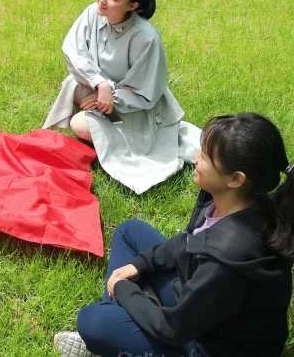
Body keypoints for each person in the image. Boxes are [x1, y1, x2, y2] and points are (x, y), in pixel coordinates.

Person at [54, 113, 294, 357]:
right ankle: (124, 325)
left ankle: (114, 334)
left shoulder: (227, 258)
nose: (195, 157)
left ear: (235, 179)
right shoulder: (238, 201)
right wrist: (140, 265)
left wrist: (124, 289)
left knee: (92, 321)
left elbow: (172, 328)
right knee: (130, 232)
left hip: (208, 346)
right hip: (201, 308)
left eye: (205, 156)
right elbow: (190, 241)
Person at [42, 0, 195, 194]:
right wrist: (99, 84)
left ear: (132, 6)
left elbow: (146, 93)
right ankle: (102, 119)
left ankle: (129, 136)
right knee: (73, 85)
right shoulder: (92, 13)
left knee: (79, 125)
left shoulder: (146, 38)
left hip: (135, 107)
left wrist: (110, 97)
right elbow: (73, 51)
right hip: (100, 90)